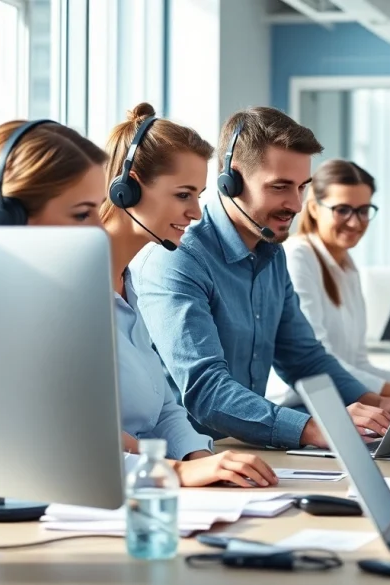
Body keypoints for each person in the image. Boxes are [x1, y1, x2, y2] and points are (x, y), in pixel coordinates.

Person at [0, 114, 276, 488]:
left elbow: (152, 411)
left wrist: (199, 462)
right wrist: (174, 471)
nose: (98, 226)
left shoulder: (113, 287)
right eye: (82, 213)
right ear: (8, 218)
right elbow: (68, 440)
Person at [131, 107, 390, 450]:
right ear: (232, 181)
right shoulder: (178, 257)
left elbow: (304, 359)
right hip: (185, 457)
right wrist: (311, 429)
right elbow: (205, 389)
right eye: (280, 187)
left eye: (302, 187)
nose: (297, 205)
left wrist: (376, 406)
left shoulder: (272, 254)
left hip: (240, 447)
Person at [102, 103, 277, 488]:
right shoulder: (76, 293)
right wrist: (179, 471)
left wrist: (202, 460)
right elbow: (81, 433)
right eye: (183, 195)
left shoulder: (127, 283)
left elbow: (164, 406)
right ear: (127, 188)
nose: (196, 213)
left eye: (198, 195)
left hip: (152, 487)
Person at [266, 159, 390, 408]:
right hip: (298, 406)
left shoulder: (347, 266)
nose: (355, 222)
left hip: (342, 400)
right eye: (342, 209)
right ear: (312, 208)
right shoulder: (297, 256)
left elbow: (357, 361)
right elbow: (320, 358)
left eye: (363, 210)